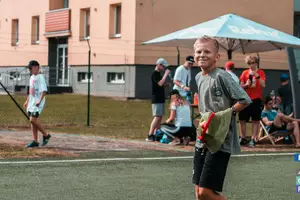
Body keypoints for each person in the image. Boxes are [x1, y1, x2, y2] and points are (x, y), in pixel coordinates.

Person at [193, 36, 251, 200]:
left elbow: (244, 100)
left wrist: (225, 115)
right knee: (198, 192)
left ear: (217, 57)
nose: (202, 55)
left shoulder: (222, 76)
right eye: (199, 51)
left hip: (220, 140)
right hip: (203, 137)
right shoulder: (198, 77)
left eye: (207, 51)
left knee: (206, 192)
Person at [239, 55, 266, 147]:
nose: (251, 65)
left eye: (253, 63)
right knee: (242, 119)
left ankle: (253, 138)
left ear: (256, 63)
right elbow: (240, 86)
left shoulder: (261, 72)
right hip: (245, 98)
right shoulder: (245, 72)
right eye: (249, 63)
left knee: (255, 120)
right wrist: (246, 84)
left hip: (256, 99)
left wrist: (257, 76)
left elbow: (263, 85)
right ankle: (243, 137)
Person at [23, 60, 51, 148]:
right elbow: (31, 91)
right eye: (29, 68)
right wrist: (27, 100)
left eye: (31, 68)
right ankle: (35, 141)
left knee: (33, 119)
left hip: (38, 102)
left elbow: (44, 91)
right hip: (32, 101)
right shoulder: (32, 77)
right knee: (32, 122)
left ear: (37, 67)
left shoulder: (40, 77)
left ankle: (46, 135)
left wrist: (39, 101)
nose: (30, 70)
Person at [147, 58, 170, 141]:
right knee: (157, 117)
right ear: (159, 65)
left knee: (160, 117)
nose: (164, 68)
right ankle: (150, 134)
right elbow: (159, 83)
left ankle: (156, 134)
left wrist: (166, 85)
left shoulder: (159, 74)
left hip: (160, 98)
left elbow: (159, 85)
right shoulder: (154, 74)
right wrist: (165, 75)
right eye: (163, 66)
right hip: (156, 98)